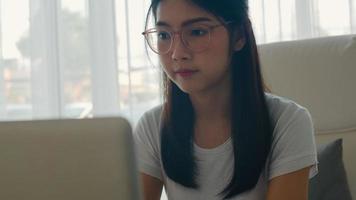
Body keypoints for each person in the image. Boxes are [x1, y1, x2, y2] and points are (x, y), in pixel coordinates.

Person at [134, 0, 318, 199]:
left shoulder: (287, 122)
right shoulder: (152, 127)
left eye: (197, 32)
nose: (178, 53)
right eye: (164, 35)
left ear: (239, 35)